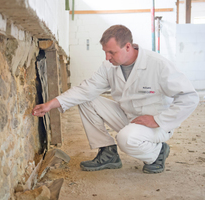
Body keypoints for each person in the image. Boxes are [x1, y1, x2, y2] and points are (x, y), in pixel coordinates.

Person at [32, 25, 199, 174]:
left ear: (128, 47)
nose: (107, 57)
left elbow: (189, 97)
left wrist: (159, 120)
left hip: (155, 125)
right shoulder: (109, 67)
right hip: (129, 117)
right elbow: (85, 90)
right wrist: (50, 104)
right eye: (105, 52)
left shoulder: (157, 64)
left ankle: (157, 153)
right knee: (86, 99)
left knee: (125, 139)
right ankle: (108, 152)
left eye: (111, 52)